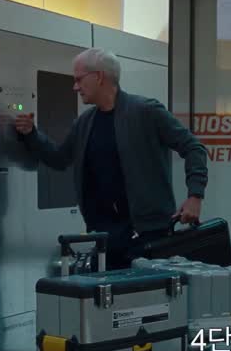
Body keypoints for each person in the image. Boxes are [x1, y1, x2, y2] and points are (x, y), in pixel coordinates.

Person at [15, 47, 208, 270]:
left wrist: (195, 196)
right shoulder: (85, 123)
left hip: (148, 236)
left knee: (146, 292)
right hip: (105, 239)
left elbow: (194, 148)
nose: (75, 87)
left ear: (99, 77)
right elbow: (59, 159)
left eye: (79, 79)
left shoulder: (146, 112)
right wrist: (31, 134)